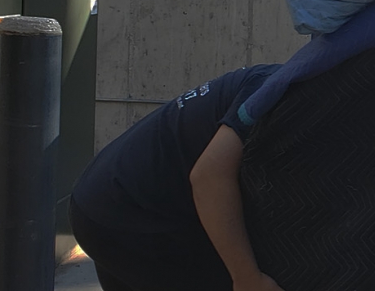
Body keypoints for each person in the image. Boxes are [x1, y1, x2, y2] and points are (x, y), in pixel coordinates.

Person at [70, 65, 285, 291]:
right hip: (130, 213)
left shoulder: (270, 78)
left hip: (105, 195)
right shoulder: (274, 92)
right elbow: (208, 178)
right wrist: (247, 278)